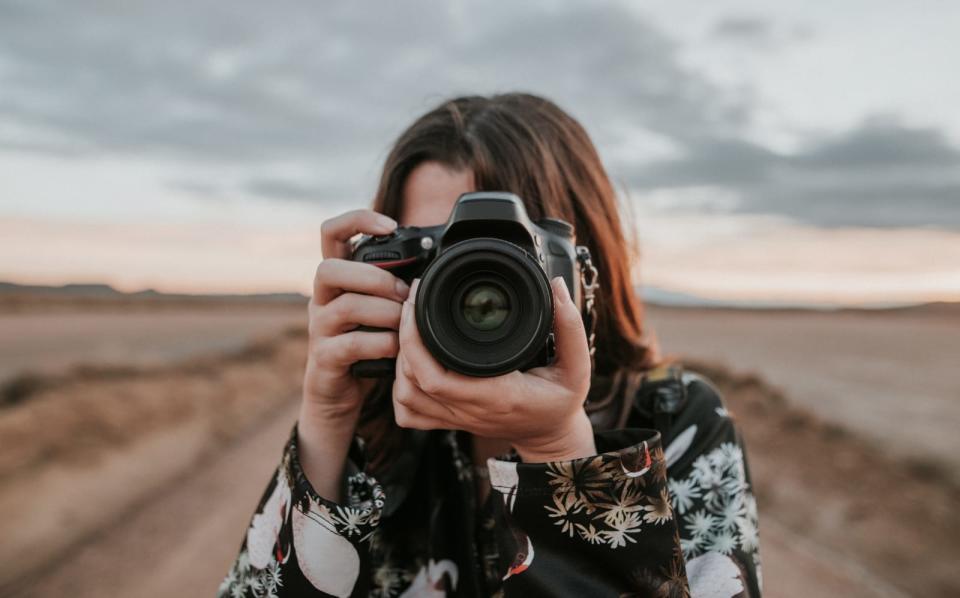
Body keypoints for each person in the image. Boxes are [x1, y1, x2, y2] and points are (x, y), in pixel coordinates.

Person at [218, 93, 762, 598]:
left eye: (512, 258)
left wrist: (559, 451)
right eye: (439, 258)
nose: (472, 297)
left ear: (586, 272)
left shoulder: (678, 421)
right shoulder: (371, 438)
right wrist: (328, 418)